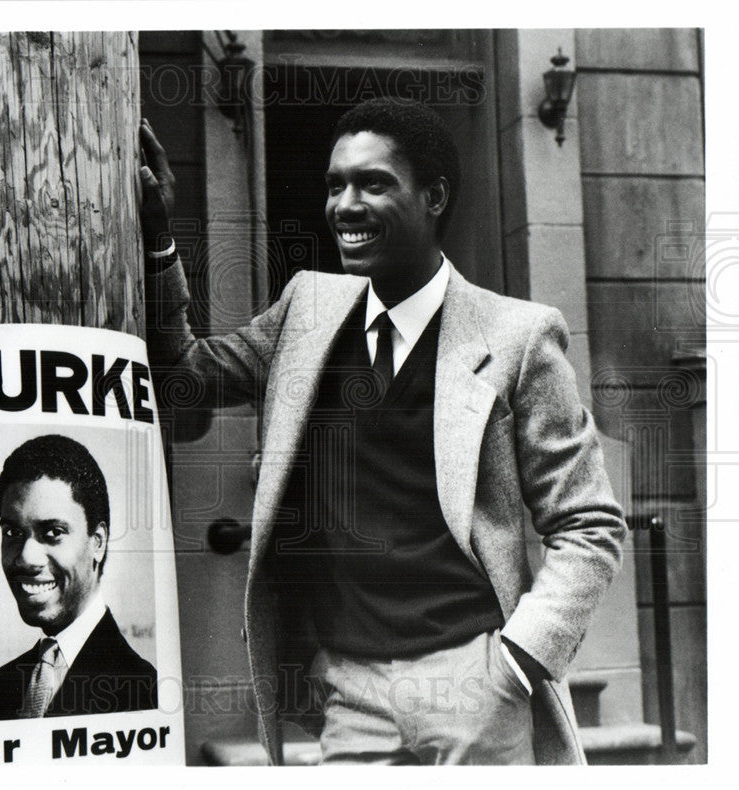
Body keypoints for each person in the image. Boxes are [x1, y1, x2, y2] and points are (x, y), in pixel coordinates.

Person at [138, 99, 626, 765]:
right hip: (349, 691)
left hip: (475, 682)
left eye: (373, 183)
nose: (345, 205)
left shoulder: (519, 336)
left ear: (433, 197)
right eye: (335, 185)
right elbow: (185, 390)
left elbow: (590, 524)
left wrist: (518, 661)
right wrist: (160, 245)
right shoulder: (305, 312)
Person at [0, 433, 157, 720]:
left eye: (53, 533)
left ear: (97, 542)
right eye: (12, 533)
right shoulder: (3, 686)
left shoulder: (143, 688)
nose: (26, 557)